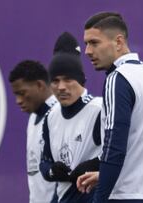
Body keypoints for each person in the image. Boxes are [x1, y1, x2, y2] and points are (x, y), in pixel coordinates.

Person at [77, 12, 143, 203]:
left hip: (127, 196)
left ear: (118, 42)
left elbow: (114, 146)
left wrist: (99, 198)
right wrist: (103, 175)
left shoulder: (117, 78)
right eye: (86, 44)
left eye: (94, 42)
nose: (87, 51)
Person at [39, 32, 103, 203]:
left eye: (68, 80)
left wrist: (93, 165)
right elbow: (44, 163)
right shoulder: (50, 117)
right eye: (55, 80)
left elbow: (120, 155)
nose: (61, 87)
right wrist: (53, 171)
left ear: (82, 80)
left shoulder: (99, 110)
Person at [9, 60, 58, 203]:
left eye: (22, 93)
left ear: (39, 85)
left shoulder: (60, 115)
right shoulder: (32, 119)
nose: (18, 100)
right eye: (15, 95)